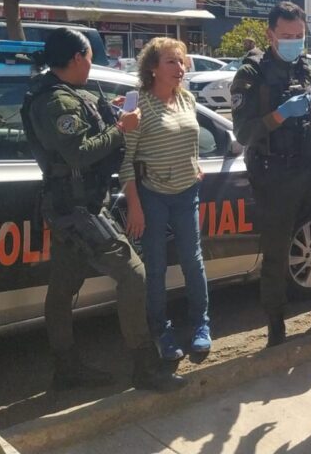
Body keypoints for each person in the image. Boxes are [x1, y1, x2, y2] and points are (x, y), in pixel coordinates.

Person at [21, 28, 185, 392]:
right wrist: (122, 128)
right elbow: (78, 152)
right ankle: (145, 367)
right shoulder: (55, 102)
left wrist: (109, 120)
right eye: (90, 57)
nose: (91, 65)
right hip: (79, 209)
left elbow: (80, 140)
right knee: (133, 274)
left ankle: (66, 368)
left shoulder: (65, 94)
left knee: (63, 287)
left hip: (72, 204)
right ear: (78, 58)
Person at [229, 1, 311, 347]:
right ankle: (275, 324)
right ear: (270, 34)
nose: (294, 42)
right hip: (275, 175)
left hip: (310, 168)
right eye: (287, 36)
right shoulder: (251, 74)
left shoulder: (307, 69)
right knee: (276, 253)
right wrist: (280, 115)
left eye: (299, 36)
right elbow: (243, 133)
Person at [120, 37, 211, 361]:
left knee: (192, 261)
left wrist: (195, 164)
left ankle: (201, 325)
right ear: (153, 68)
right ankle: (161, 329)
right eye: (172, 61)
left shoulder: (185, 98)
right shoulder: (139, 104)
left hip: (187, 192)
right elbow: (125, 160)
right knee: (155, 267)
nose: (181, 68)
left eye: (183, 61)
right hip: (152, 196)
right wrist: (135, 205)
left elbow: (191, 137)